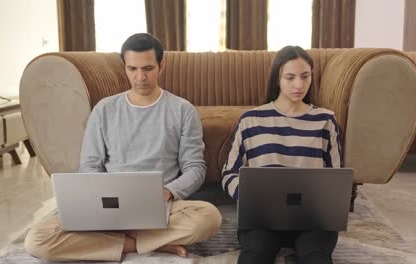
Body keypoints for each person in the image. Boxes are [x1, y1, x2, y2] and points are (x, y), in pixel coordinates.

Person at [24, 33, 222, 262]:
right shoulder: (104, 110)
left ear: (162, 65)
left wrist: (168, 192)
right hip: (108, 204)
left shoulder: (183, 110)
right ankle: (147, 243)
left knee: (209, 217)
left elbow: (195, 168)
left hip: (161, 205)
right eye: (132, 69)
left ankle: (115, 241)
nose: (140, 77)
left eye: (148, 68)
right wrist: (98, 198)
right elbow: (90, 164)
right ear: (124, 67)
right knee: (37, 239)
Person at [222, 46, 342, 264]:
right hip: (261, 219)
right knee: (253, 258)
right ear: (277, 78)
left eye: (305, 77)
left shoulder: (326, 120)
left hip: (312, 220)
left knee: (316, 259)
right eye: (290, 77)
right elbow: (229, 173)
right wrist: (248, 197)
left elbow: (336, 178)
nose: (299, 85)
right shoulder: (251, 120)